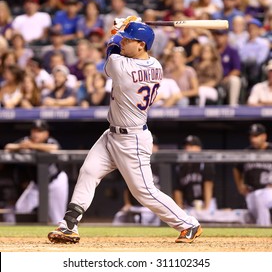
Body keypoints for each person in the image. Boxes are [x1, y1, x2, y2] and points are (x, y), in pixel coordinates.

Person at [48, 20, 202, 244]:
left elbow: (111, 47)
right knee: (89, 171)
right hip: (112, 134)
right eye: (125, 38)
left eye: (129, 40)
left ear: (141, 45)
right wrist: (126, 27)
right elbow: (118, 46)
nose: (124, 42)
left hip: (132, 139)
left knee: (144, 192)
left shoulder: (122, 67)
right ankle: (69, 224)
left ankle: (188, 224)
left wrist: (117, 29)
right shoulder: (156, 65)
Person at [4, 120, 69, 224]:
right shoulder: (26, 140)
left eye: (39, 131)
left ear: (46, 133)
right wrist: (20, 146)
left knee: (57, 217)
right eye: (34, 131)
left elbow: (54, 148)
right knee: (21, 209)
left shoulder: (50, 141)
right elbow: (8, 147)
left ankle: (60, 237)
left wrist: (32, 146)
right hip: (37, 184)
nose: (36, 134)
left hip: (55, 182)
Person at [112, 135, 161, 226]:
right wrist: (127, 204)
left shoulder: (162, 167)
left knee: (146, 218)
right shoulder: (136, 163)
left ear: (157, 147)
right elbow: (127, 187)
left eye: (152, 145)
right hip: (136, 206)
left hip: (154, 205)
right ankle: (114, 239)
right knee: (119, 216)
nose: (150, 147)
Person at [233, 123, 272, 226]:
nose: (253, 139)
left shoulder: (270, 150)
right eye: (251, 136)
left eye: (256, 136)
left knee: (260, 197)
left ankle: (266, 231)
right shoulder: (247, 152)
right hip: (251, 192)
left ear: (264, 136)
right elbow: (237, 169)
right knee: (251, 216)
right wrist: (240, 186)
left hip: (269, 191)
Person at [173, 135, 217, 212]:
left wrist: (206, 208)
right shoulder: (181, 167)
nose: (187, 148)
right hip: (189, 205)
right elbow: (177, 189)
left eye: (191, 146)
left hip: (206, 202)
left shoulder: (205, 163)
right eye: (186, 146)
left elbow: (208, 185)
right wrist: (179, 208)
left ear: (199, 148)